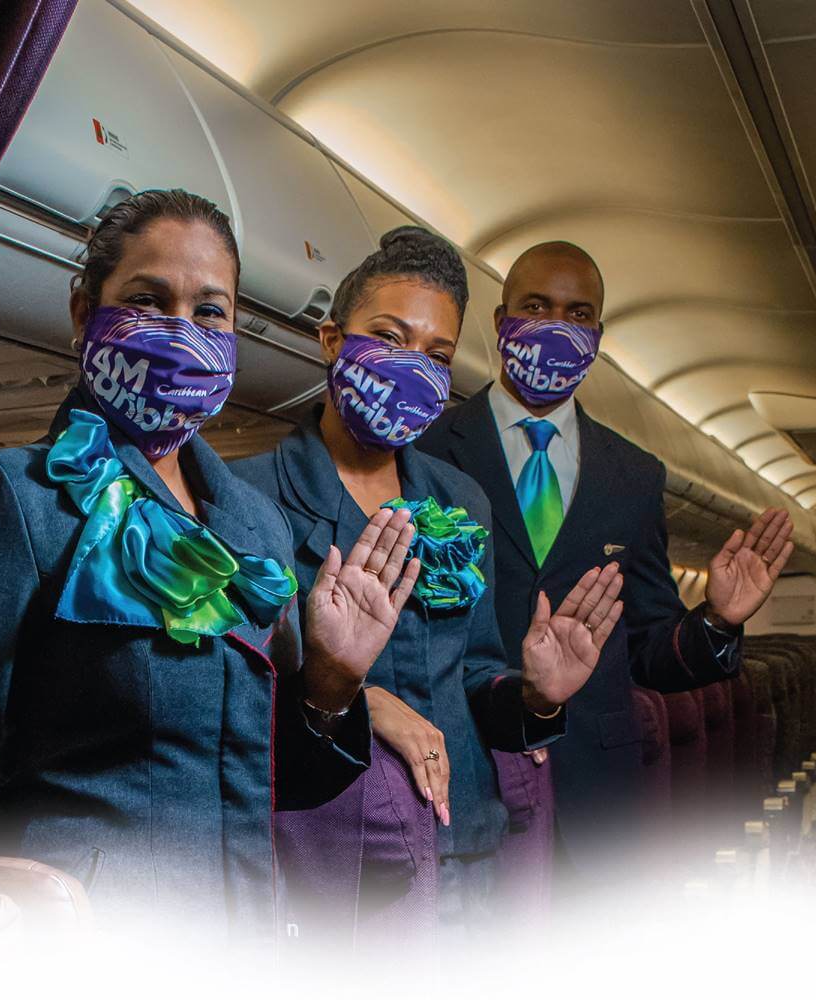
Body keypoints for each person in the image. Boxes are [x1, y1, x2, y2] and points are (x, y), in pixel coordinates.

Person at [0, 189, 423, 941]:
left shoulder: (256, 524)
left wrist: (333, 677)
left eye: (210, 310)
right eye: (147, 299)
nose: (180, 330)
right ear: (82, 313)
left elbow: (274, 779)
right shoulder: (17, 498)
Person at [233, 227, 625, 939]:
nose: (411, 367)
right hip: (338, 856)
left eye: (436, 356)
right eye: (389, 336)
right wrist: (355, 693)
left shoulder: (459, 502)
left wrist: (535, 697)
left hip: (466, 838)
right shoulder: (248, 500)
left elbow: (475, 671)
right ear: (330, 342)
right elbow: (233, 696)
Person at [418, 240, 795, 880]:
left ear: (598, 334)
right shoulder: (428, 449)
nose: (557, 326)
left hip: (595, 792)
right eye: (536, 306)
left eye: (577, 313)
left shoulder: (633, 474)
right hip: (464, 769)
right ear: (501, 318)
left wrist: (719, 622)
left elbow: (647, 642)